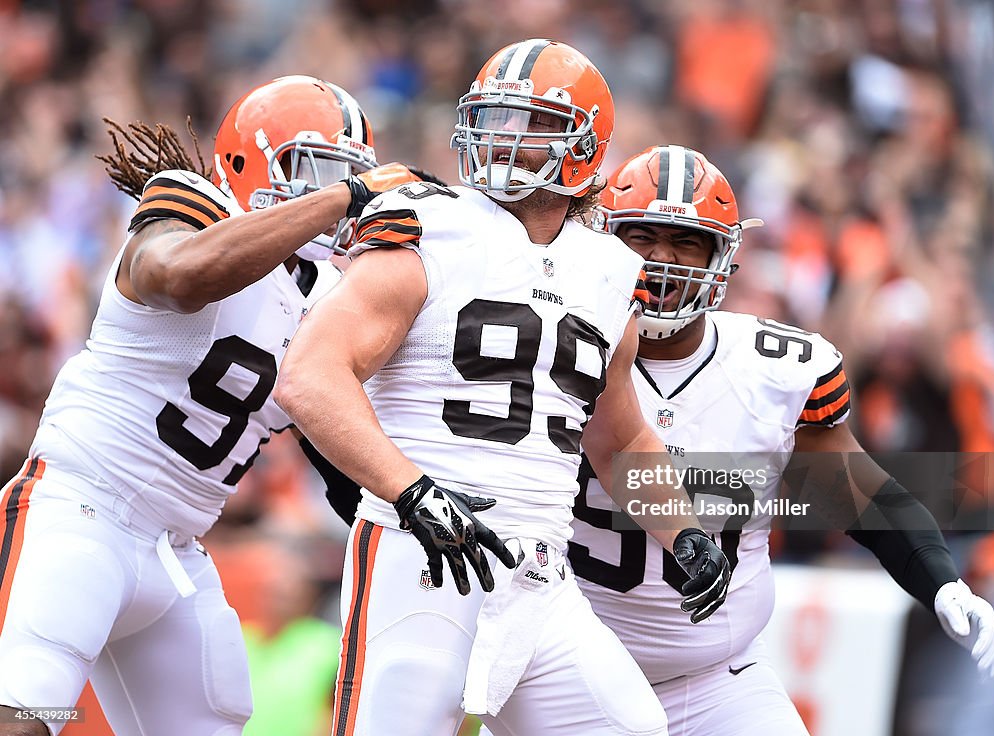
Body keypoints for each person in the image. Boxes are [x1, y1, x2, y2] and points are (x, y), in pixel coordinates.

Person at [274, 39, 732, 736]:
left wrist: (686, 533)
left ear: (585, 144)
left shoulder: (611, 270)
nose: (505, 137)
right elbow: (310, 376)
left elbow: (620, 436)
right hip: (422, 553)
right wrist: (411, 491)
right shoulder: (430, 225)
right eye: (496, 117)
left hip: (541, 576)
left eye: (533, 122)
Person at [0, 75, 416, 736]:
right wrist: (344, 197)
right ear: (249, 163)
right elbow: (178, 275)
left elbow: (341, 464)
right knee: (26, 714)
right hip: (81, 510)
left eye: (346, 176)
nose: (334, 195)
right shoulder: (192, 203)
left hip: (177, 552)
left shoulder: (324, 300)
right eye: (314, 172)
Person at [567, 144, 994, 735]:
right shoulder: (559, 347)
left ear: (722, 257)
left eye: (685, 240)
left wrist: (940, 578)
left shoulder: (774, 371)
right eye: (642, 236)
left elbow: (859, 496)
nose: (662, 258)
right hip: (572, 677)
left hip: (717, 681)